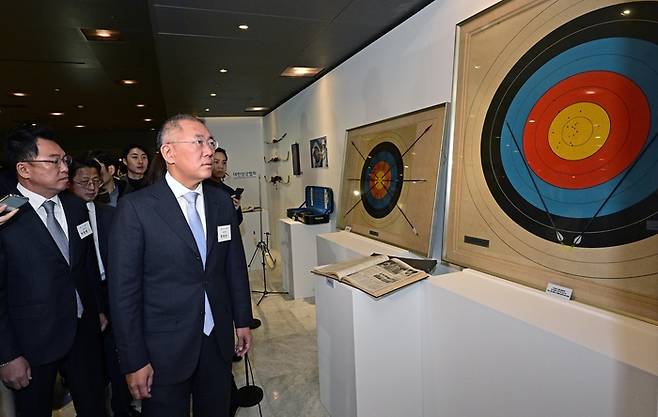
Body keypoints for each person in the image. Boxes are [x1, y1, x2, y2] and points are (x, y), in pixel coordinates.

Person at [108, 114, 253, 417]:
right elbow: (124, 294)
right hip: (163, 350)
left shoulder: (221, 202)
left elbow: (234, 268)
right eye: (198, 142)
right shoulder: (136, 209)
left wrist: (242, 320)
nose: (209, 150)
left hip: (216, 342)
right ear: (169, 152)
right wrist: (134, 360)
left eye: (210, 142)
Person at [0, 125, 106, 417]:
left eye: (65, 160)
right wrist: (7, 354)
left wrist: (96, 309)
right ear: (24, 168)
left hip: (82, 331)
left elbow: (84, 267)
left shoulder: (75, 207)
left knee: (95, 405)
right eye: (54, 161)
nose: (64, 168)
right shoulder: (6, 213)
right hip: (31, 343)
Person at [68, 158, 139, 417]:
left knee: (118, 353)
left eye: (95, 181)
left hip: (113, 289)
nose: (91, 186)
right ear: (69, 183)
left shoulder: (110, 213)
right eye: (84, 181)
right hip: (85, 294)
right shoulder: (66, 215)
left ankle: (123, 407)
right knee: (89, 363)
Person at [208, 147, 243, 225]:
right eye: (216, 162)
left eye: (224, 163)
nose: (221, 166)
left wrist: (235, 209)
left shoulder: (229, 191)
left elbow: (238, 221)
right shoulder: (200, 189)